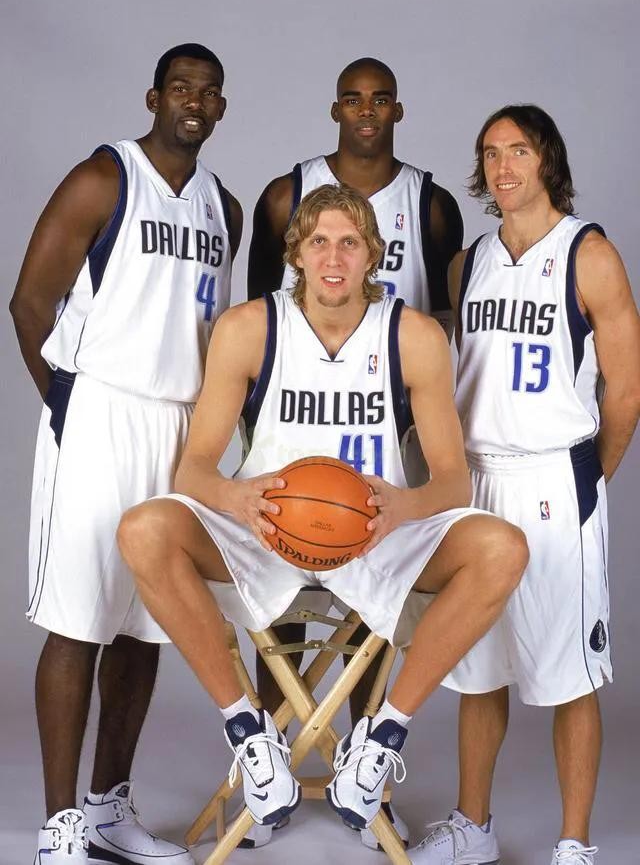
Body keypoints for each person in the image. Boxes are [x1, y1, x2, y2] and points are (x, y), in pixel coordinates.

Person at [117, 184, 529, 849]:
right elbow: (193, 471)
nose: (333, 258)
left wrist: (404, 505)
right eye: (318, 242)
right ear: (296, 254)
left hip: (375, 533)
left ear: (373, 254)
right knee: (143, 530)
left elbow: (453, 480)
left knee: (503, 547)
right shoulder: (249, 328)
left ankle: (380, 739)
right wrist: (236, 498)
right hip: (268, 532)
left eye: (349, 243)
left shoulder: (414, 336)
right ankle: (251, 733)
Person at [10, 43, 242, 864]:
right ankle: (59, 824)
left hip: (177, 427)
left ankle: (109, 808)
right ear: (154, 97)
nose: (194, 102)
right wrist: (67, 403)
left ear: (221, 108)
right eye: (181, 87)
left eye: (208, 93)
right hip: (100, 412)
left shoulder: (225, 208)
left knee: (146, 625)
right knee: (79, 619)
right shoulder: (103, 178)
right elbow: (29, 301)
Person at [408, 105, 640, 865]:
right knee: (480, 665)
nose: (502, 167)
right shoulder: (467, 262)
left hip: (554, 477)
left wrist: (588, 480)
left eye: (517, 151)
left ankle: (574, 842)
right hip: (479, 479)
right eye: (490, 154)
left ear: (547, 160)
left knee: (570, 674)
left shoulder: (589, 254)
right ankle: (473, 826)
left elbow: (626, 390)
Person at [248, 58, 463, 847]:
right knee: (284, 602)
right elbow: (260, 309)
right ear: (335, 107)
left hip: (391, 425)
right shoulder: (287, 192)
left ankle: (364, 770)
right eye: (353, 98)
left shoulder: (430, 202)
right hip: (299, 413)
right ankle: (269, 764)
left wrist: (424, 423)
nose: (366, 111)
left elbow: (446, 318)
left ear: (397, 110)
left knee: (377, 601)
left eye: (380, 99)